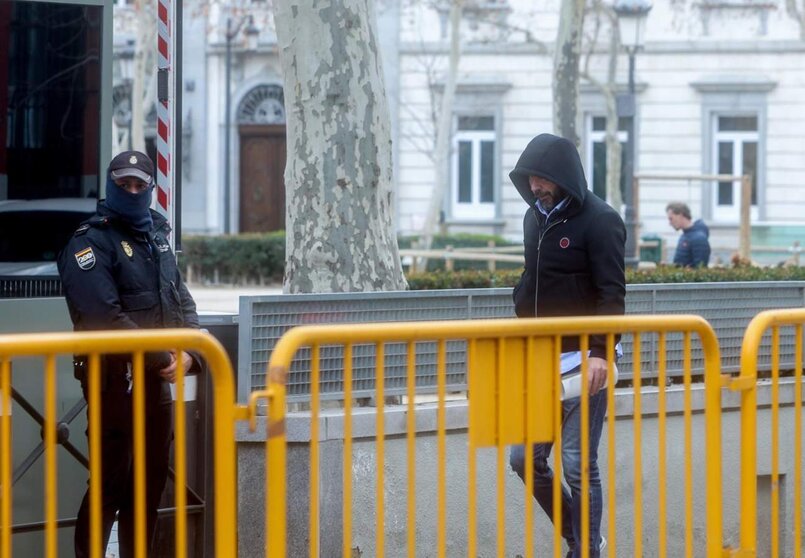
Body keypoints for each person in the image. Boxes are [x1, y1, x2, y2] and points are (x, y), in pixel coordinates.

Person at [57, 150, 200, 558]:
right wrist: (165, 357)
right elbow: (103, 317)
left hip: (156, 384)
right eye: (125, 184)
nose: (133, 191)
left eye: (140, 185)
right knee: (109, 484)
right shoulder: (90, 242)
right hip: (113, 383)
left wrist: (190, 353)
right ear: (110, 185)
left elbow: (182, 303)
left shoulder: (157, 237)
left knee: (150, 483)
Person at [508, 133, 625, 558]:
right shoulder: (533, 218)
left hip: (585, 362)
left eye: (541, 177)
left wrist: (599, 352)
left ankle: (587, 552)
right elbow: (533, 278)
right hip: (543, 358)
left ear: (562, 175)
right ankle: (580, 539)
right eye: (529, 178)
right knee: (523, 459)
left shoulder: (601, 220)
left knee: (577, 464)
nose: (535, 185)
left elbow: (611, 293)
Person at [666, 201, 710, 267]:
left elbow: (700, 270)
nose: (670, 223)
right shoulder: (684, 236)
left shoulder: (699, 239)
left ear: (680, 215)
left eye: (671, 219)